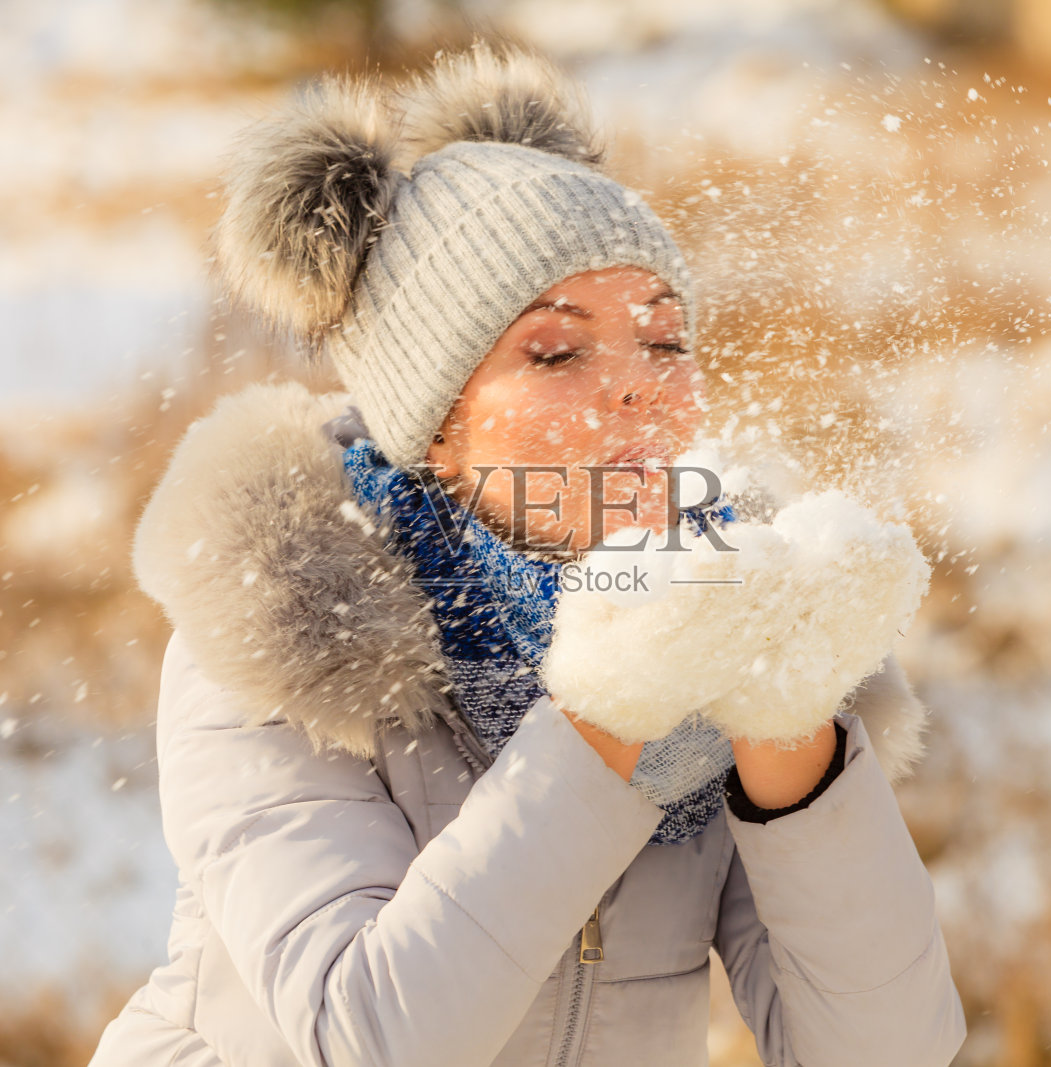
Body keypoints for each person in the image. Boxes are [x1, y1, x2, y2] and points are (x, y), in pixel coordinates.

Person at [89, 39, 966, 1067]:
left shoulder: (715, 615)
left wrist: (790, 732)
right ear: (435, 422)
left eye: (664, 337)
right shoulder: (285, 631)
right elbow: (370, 1034)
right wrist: (613, 706)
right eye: (553, 350)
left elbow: (880, 1051)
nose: (638, 384)